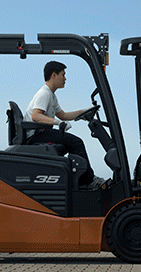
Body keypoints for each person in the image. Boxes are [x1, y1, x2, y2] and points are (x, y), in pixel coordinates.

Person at [24, 61, 105, 189]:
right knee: (76, 142)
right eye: (63, 75)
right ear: (54, 75)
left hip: (42, 133)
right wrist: (58, 123)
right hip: (35, 136)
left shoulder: (51, 95)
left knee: (73, 143)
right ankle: (87, 181)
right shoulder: (44, 94)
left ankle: (80, 179)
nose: (65, 78)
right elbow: (36, 116)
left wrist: (84, 111)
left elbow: (63, 115)